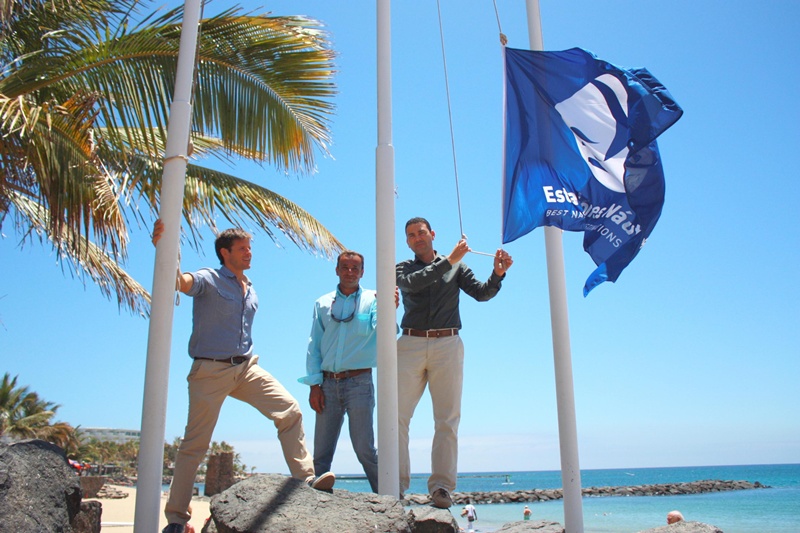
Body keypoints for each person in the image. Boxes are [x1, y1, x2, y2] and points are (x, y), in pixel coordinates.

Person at [152, 220, 334, 533]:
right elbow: (179, 282)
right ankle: (176, 520)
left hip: (246, 367)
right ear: (225, 253)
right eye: (242, 249)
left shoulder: (250, 288)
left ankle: (305, 479)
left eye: (250, 248)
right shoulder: (209, 278)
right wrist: (165, 251)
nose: (249, 253)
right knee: (195, 445)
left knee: (289, 410)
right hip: (210, 369)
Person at [396, 217, 513, 508]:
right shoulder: (403, 268)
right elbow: (413, 284)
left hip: (448, 343)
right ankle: (394, 485)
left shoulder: (457, 265)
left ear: (432, 234)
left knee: (447, 420)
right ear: (408, 241)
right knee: (395, 416)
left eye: (421, 232)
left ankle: (442, 488)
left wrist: (497, 274)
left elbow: (481, 293)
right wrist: (449, 260)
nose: (417, 238)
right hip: (409, 343)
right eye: (411, 235)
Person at [299, 250, 397, 493]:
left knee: (364, 447)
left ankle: (388, 496)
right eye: (345, 267)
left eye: (355, 268)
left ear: (362, 272)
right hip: (327, 385)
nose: (350, 272)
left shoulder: (375, 299)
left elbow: (387, 332)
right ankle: (314, 505)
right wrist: (314, 385)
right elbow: (314, 346)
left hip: (359, 383)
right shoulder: (322, 303)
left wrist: (389, 308)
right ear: (337, 270)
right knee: (322, 450)